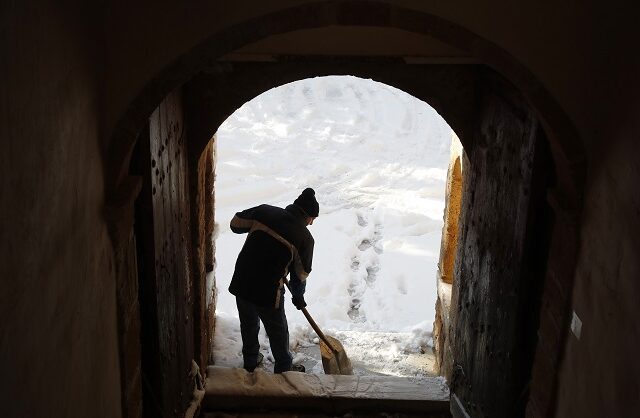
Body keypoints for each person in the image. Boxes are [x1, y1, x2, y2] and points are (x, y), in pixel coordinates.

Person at [228, 188, 319, 373]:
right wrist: (298, 296)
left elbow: (235, 224)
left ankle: (250, 361)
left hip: (242, 280)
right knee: (278, 331)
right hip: (268, 291)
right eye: (313, 220)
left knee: (248, 323)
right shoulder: (305, 239)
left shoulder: (264, 211)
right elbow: (300, 276)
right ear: (308, 216)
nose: (312, 224)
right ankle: (284, 369)